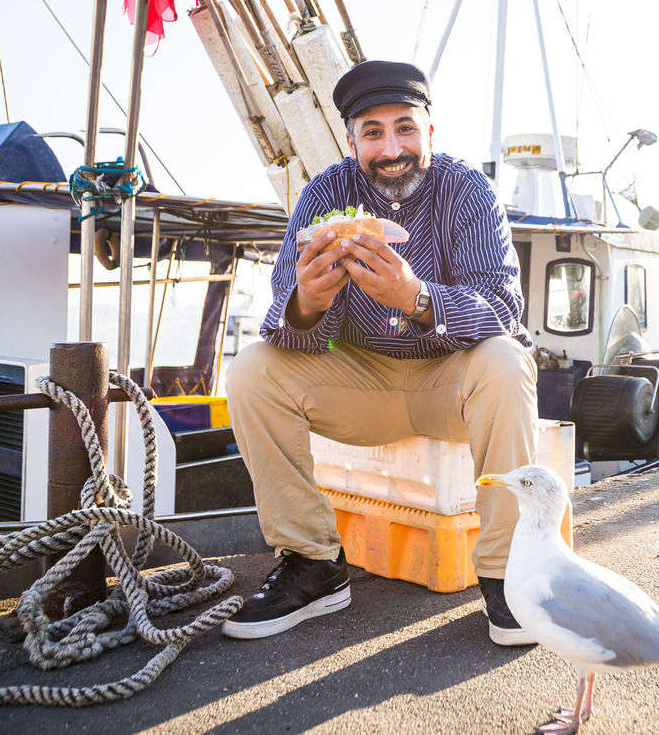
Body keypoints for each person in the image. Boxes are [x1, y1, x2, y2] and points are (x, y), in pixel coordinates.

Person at [222, 60, 539, 645]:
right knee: (249, 372)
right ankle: (314, 562)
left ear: (429, 132)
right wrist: (308, 302)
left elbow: (502, 313)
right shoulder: (324, 196)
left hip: (453, 381)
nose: (392, 148)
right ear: (351, 141)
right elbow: (287, 328)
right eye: (373, 133)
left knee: (504, 359)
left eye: (405, 128)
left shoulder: (468, 191)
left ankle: (506, 572)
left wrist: (416, 297)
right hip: (364, 386)